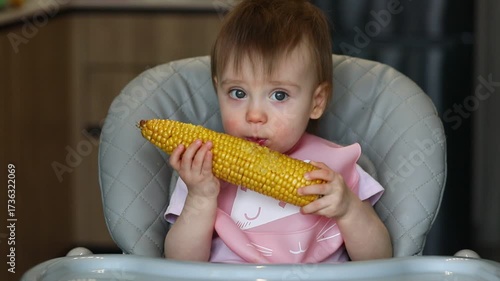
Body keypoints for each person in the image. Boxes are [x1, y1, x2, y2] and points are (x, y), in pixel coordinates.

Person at [163, 0, 392, 263]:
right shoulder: (202, 171)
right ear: (218, 90)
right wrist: (200, 198)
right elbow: (181, 265)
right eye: (238, 93)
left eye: (279, 95)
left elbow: (379, 259)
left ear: (316, 102)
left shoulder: (335, 172)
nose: (255, 115)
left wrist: (349, 210)